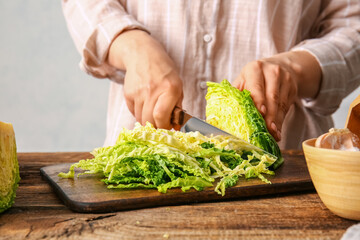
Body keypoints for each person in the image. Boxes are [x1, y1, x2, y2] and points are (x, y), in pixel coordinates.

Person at [62, 0, 360, 149]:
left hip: (286, 161)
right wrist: (130, 44)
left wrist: (296, 69)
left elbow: (353, 24)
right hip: (146, 156)